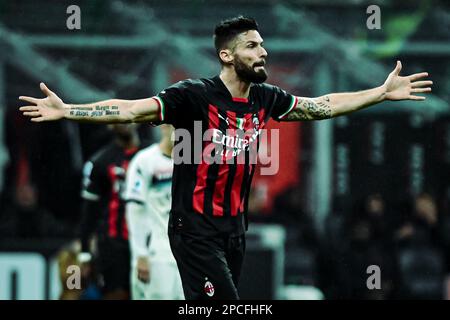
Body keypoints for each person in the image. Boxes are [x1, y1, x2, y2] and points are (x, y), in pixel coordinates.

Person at [18, 16, 433, 299]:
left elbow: (323, 105)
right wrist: (69, 109)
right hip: (193, 230)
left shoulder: (265, 98)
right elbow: (130, 108)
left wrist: (379, 93)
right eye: (252, 46)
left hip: (234, 231)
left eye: (263, 44)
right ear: (227, 56)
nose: (263, 52)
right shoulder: (194, 96)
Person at [77, 124, 142, 299]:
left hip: (149, 243)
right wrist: (84, 254)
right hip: (113, 244)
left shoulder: (152, 156)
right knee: (117, 295)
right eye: (119, 118)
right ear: (110, 124)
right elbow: (89, 213)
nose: (125, 122)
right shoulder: (99, 162)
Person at [125, 124, 184, 300]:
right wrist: (140, 254)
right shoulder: (145, 161)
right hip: (156, 252)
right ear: (164, 126)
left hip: (187, 254)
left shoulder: (194, 163)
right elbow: (135, 209)